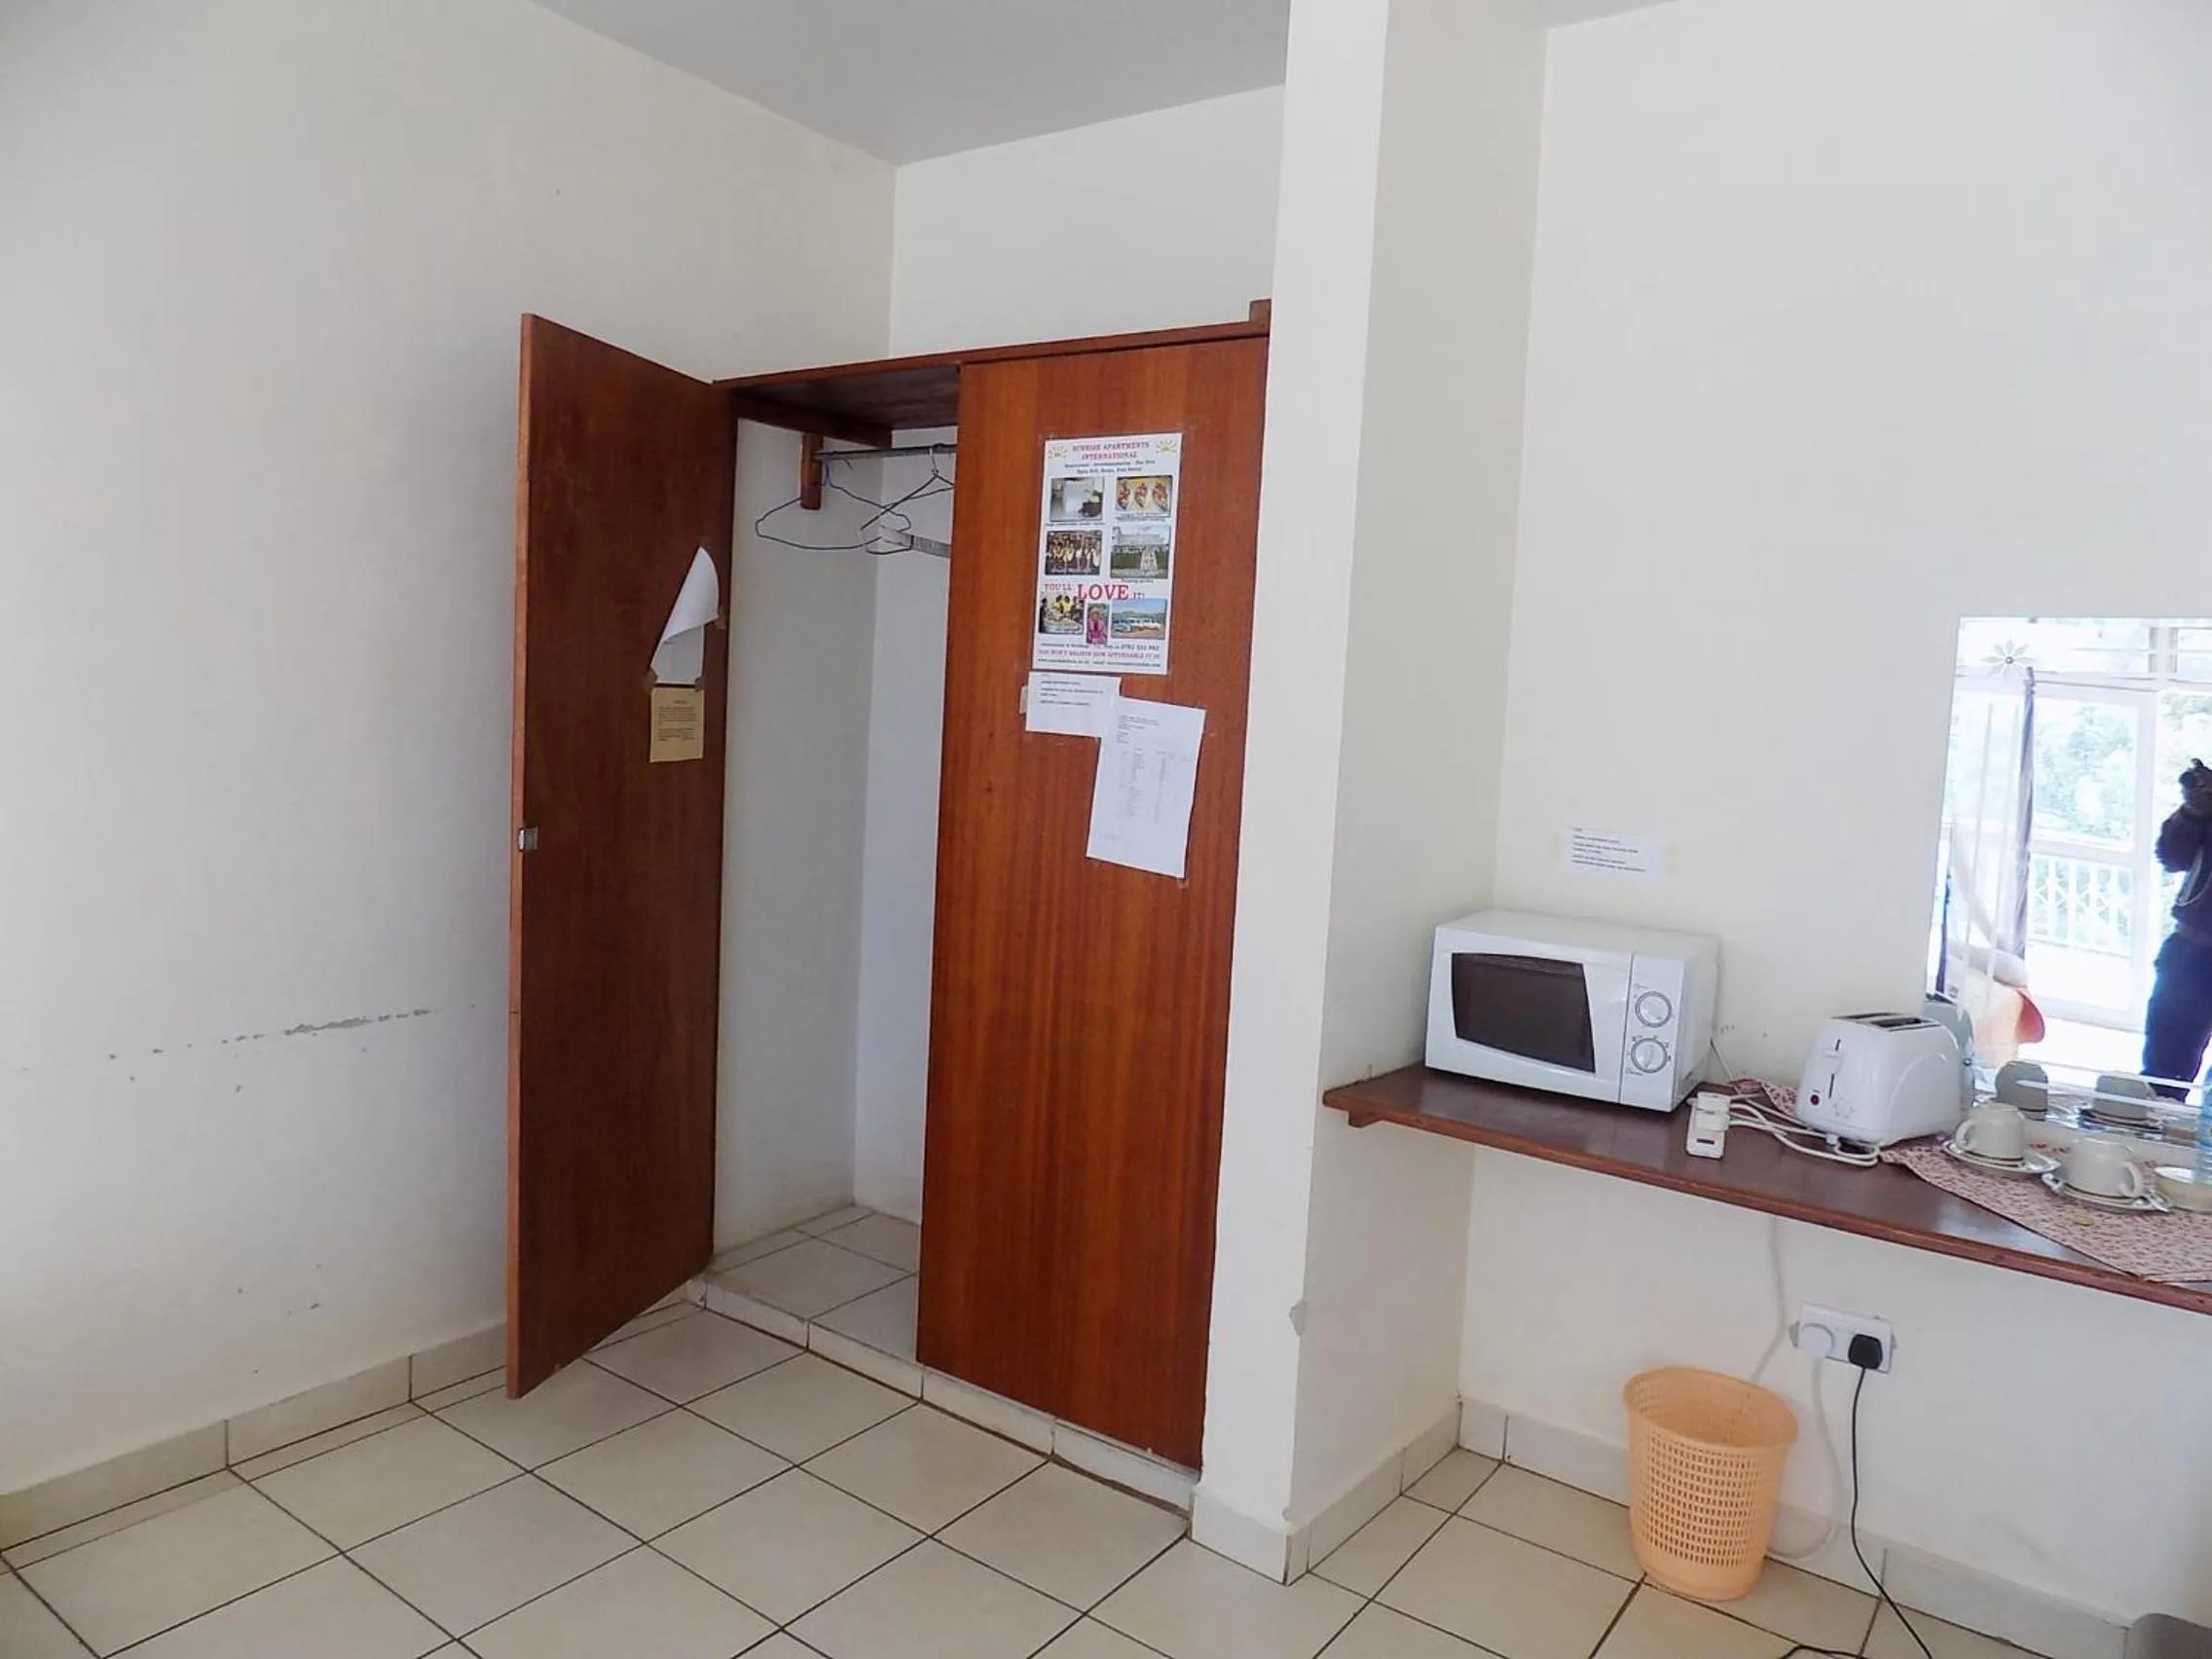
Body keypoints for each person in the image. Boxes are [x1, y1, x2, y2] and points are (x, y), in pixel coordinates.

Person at [2143, 757, 2212, 1099]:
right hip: (2192, 950)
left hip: (2192, 950)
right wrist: (2193, 811)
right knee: (2163, 1079)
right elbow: (2171, 857)